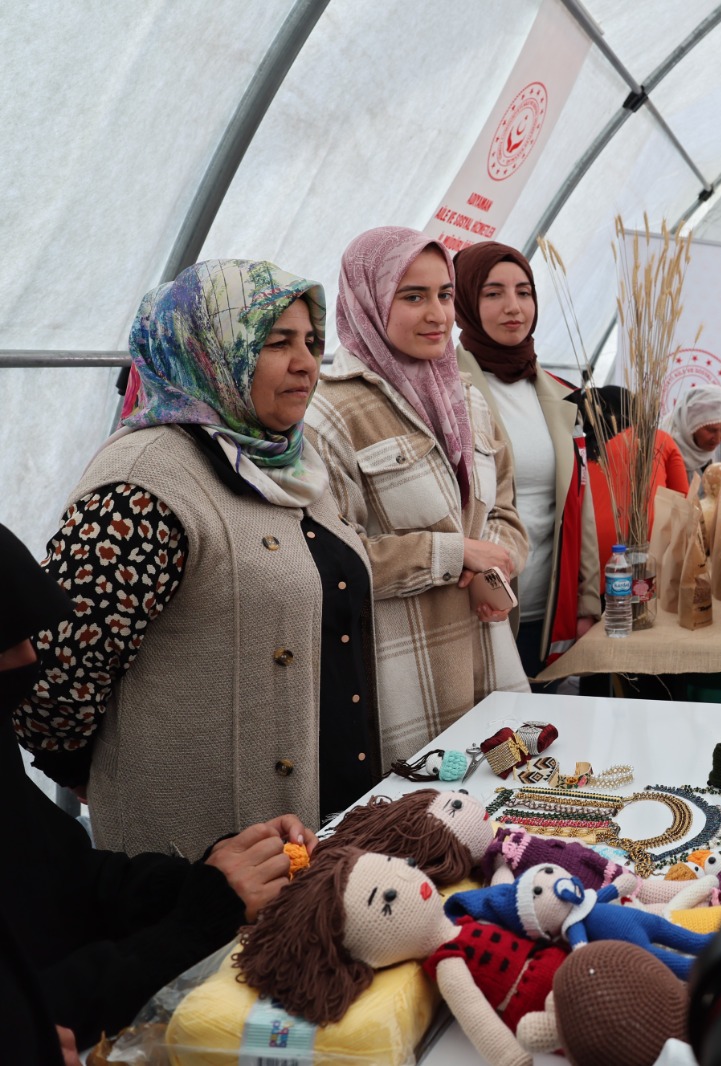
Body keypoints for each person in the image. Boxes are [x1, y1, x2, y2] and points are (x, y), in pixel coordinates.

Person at [11, 260, 376, 859]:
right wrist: (91, 772)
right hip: (197, 859)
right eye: (275, 342)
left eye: (311, 342)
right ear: (207, 349)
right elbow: (54, 679)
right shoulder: (144, 483)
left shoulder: (291, 464)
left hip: (317, 827)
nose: (308, 363)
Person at [1, 522, 319, 1065]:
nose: (30, 657)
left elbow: (66, 876)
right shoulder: (141, 488)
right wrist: (201, 916)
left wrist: (215, 873)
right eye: (5, 643)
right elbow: (38, 1015)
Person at [306, 228, 530, 765]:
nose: (438, 314)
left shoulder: (466, 400)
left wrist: (493, 566)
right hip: (406, 682)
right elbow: (330, 560)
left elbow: (504, 511)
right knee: (423, 827)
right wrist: (453, 556)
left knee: (502, 819)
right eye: (413, 297)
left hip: (490, 661)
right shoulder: (330, 415)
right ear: (367, 301)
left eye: (445, 295)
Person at [450, 240, 600, 673]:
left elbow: (578, 502)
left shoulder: (556, 393)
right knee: (494, 739)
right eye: (493, 293)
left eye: (524, 291)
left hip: (549, 611)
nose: (513, 307)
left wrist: (587, 603)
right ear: (463, 302)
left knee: (541, 736)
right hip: (479, 609)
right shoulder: (446, 391)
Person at [577, 384, 690, 569]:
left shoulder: (579, 452)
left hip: (590, 550)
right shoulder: (659, 438)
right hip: (649, 548)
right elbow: (684, 502)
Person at [664, 386, 721, 480]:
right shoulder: (665, 446)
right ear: (691, 424)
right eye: (711, 430)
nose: (718, 439)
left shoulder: (713, 443)